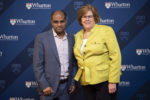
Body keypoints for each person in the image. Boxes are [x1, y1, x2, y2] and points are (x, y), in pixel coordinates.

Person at [73, 4, 121, 100]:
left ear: (95, 18)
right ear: (80, 19)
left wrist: (113, 81)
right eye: (84, 17)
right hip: (86, 81)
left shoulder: (106, 30)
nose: (87, 19)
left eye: (90, 16)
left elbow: (115, 55)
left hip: (104, 81)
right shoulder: (77, 36)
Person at [33, 10, 76, 100]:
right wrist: (44, 85)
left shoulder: (72, 38)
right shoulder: (41, 38)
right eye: (56, 22)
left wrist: (72, 83)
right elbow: (37, 65)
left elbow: (74, 64)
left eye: (62, 21)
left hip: (66, 88)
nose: (59, 25)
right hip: (48, 87)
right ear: (51, 22)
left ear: (66, 21)